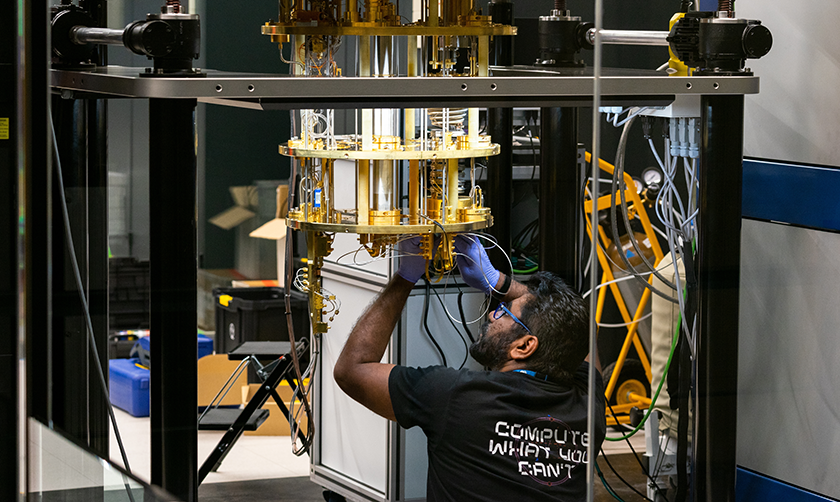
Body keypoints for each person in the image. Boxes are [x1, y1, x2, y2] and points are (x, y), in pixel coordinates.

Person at [334, 234, 606, 501]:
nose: (493, 314)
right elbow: (581, 330)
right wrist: (498, 283)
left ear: (524, 346)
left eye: (504, 312)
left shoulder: (456, 396)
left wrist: (405, 278)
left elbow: (352, 371)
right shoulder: (586, 409)